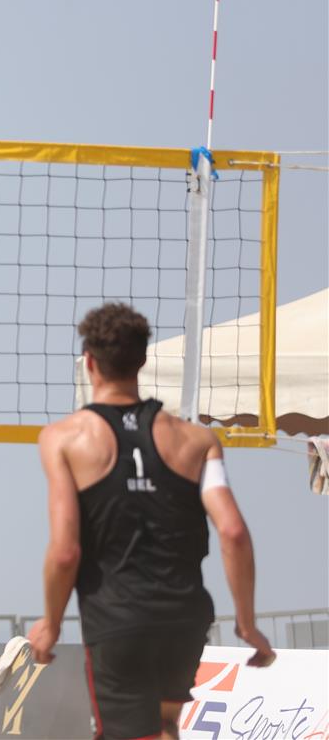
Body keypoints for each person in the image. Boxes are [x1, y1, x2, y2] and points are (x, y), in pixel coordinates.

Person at [27, 302, 276, 740]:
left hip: (116, 619)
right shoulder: (198, 440)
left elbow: (65, 551)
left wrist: (50, 624)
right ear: (143, 360)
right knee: (163, 727)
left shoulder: (63, 439)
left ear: (89, 362)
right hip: (185, 616)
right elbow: (233, 532)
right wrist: (247, 622)